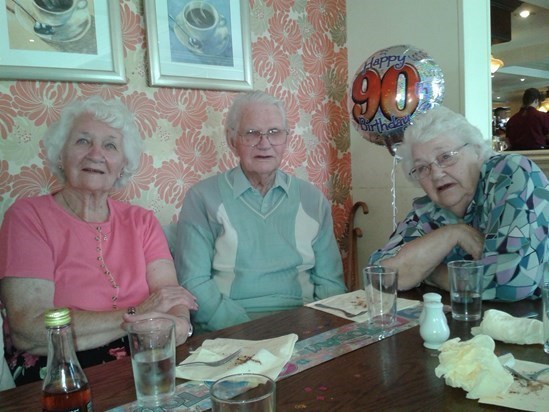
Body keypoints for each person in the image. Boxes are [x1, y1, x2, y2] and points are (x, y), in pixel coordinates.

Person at [0, 96, 197, 385]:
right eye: (82, 141)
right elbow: (29, 328)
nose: (96, 154)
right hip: (62, 368)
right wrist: (138, 313)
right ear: (60, 155)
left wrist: (180, 325)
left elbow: (170, 294)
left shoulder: (141, 220)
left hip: (146, 352)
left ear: (122, 165)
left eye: (110, 146)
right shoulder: (28, 217)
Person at [175, 90, 346, 331]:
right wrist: (249, 332)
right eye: (252, 133)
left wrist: (322, 327)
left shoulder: (312, 199)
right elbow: (194, 283)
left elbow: (331, 283)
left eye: (274, 132)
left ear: (286, 139)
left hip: (304, 326)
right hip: (230, 330)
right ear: (232, 140)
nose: (264, 143)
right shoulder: (202, 198)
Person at [369, 106, 549, 301]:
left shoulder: (510, 174)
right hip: (477, 325)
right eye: (422, 168)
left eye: (446, 157)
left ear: (477, 151)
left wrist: (429, 271)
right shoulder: (430, 210)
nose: (436, 174)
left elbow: (510, 283)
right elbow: (379, 274)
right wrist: (453, 233)